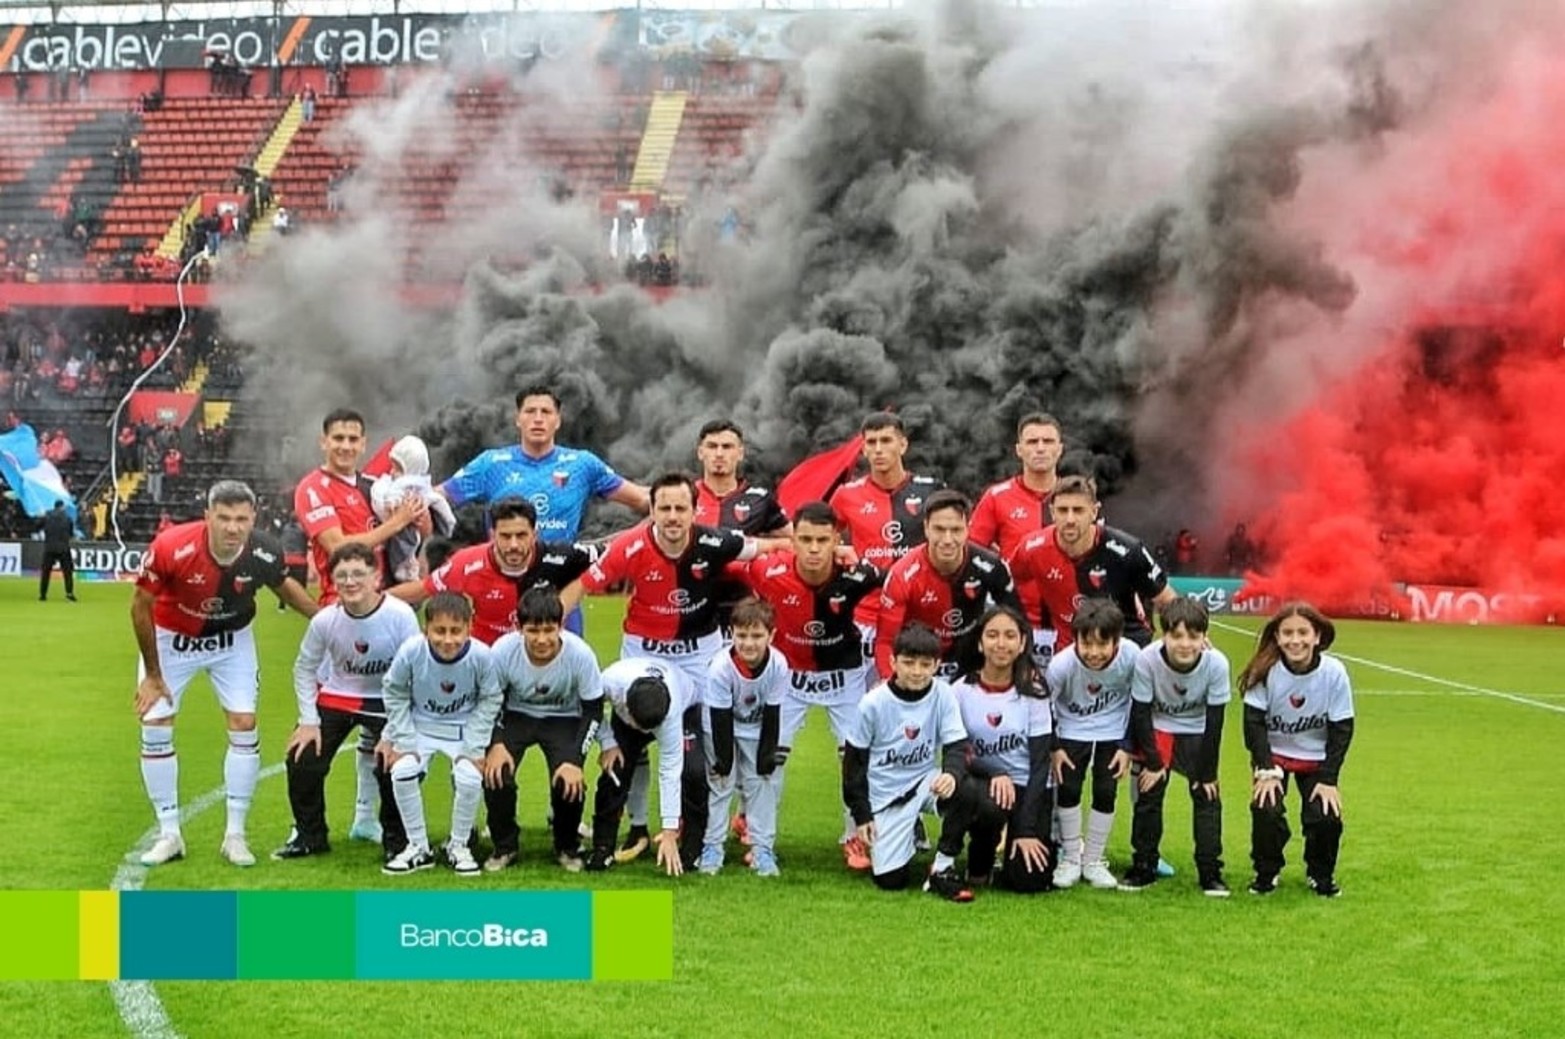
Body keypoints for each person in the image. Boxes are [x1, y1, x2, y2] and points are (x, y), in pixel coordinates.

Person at [562, 472, 783, 863]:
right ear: (651, 510)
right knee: (626, 753)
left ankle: (699, 842)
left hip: (700, 661)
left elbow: (765, 546)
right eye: (664, 508)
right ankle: (623, 835)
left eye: (681, 508)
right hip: (643, 656)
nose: (673, 516)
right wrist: (549, 625)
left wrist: (830, 550)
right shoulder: (629, 546)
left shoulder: (714, 541)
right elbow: (582, 586)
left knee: (701, 759)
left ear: (695, 511)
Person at [131, 480, 318, 867]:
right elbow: (140, 605)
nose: (233, 527)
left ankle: (235, 835)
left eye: (241, 519)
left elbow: (285, 589)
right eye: (224, 518)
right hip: (172, 640)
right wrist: (152, 675)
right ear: (208, 517)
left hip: (231, 641)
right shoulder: (171, 546)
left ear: (253, 519)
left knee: (244, 723)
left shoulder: (264, 550)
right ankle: (169, 834)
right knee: (156, 724)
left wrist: (326, 622)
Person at [726, 501, 884, 869]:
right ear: (792, 540)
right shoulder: (768, 570)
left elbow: (896, 585)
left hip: (844, 678)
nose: (814, 549)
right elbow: (726, 561)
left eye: (823, 540)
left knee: (855, 758)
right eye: (806, 539)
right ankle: (760, 838)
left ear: (837, 541)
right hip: (788, 680)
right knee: (769, 757)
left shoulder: (858, 574)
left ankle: (855, 838)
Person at [296, 407, 428, 844]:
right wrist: (397, 522)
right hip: (340, 613)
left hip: (386, 612)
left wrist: (418, 519)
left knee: (384, 722)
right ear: (324, 441)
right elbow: (338, 546)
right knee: (323, 725)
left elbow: (414, 533)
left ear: (364, 443)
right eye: (338, 438)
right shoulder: (313, 488)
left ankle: (366, 818)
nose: (346, 446)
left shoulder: (374, 486)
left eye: (354, 439)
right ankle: (307, 828)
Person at [274, 542, 417, 862]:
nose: (350, 582)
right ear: (332, 581)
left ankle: (397, 840)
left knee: (394, 763)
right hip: (338, 696)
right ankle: (309, 835)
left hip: (388, 700)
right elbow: (304, 669)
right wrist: (308, 721)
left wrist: (395, 732)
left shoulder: (400, 615)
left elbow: (413, 676)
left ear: (376, 578)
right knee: (302, 756)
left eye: (358, 574)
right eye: (342, 576)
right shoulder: (325, 620)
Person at [843, 622, 978, 901]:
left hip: (924, 782)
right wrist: (862, 815)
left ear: (937, 665)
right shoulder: (873, 703)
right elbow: (854, 764)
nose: (917, 671)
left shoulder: (943, 693)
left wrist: (951, 774)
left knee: (967, 789)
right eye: (908, 663)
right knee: (892, 881)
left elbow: (956, 745)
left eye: (925, 664)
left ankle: (942, 867)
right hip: (886, 796)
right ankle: (908, 826)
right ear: (893, 662)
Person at [378, 592, 504, 876]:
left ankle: (458, 845)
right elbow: (394, 690)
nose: (448, 640)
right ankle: (418, 847)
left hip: (462, 729)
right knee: (402, 770)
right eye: (439, 631)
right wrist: (403, 739)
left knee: (469, 776)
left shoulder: (481, 656)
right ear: (426, 629)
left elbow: (491, 698)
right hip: (420, 726)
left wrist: (474, 746)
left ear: (469, 628)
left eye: (456, 631)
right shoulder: (412, 651)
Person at [482, 587, 603, 873]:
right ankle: (504, 846)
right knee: (496, 773)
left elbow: (593, 710)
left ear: (561, 626)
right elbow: (489, 701)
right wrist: (496, 743)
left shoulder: (580, 654)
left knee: (569, 781)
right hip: (516, 716)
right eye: (533, 630)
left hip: (563, 718)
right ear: (519, 628)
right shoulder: (503, 651)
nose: (541, 639)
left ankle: (567, 846)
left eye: (549, 630)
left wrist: (575, 760)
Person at [1240, 602, 1355, 898]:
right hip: (1273, 756)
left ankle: (1320, 874)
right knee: (1266, 808)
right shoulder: (1264, 670)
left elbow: (1342, 729)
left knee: (1326, 815)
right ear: (1277, 637)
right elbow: (1253, 725)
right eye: (1287, 633)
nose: (1295, 640)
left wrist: (1329, 779)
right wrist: (1265, 770)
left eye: (1303, 632)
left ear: (1317, 637)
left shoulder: (1334, 673)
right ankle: (1267, 872)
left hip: (1315, 757)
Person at [1121, 596, 1231, 895]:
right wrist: (1155, 763)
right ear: (1164, 635)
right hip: (1159, 728)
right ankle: (1144, 865)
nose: (1185, 644)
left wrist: (1207, 773)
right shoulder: (1147, 659)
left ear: (1204, 636)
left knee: (1207, 796)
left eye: (1193, 636)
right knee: (1149, 792)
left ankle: (1210, 872)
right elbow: (1141, 712)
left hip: (1197, 730)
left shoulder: (1217, 664)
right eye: (1177, 635)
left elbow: (1215, 722)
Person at [1008, 474, 1175, 661]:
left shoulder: (1127, 550)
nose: (1070, 519)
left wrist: (1180, 644)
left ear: (1094, 512)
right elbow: (1004, 584)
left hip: (1125, 651)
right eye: (1063, 510)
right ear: (1052, 512)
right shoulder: (1032, 548)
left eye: (1078, 510)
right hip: (1070, 654)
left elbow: (1169, 601)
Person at [949, 606, 1055, 893]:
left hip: (1029, 787)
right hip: (985, 784)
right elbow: (956, 752)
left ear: (1022, 643)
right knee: (989, 804)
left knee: (1028, 880)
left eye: (1010, 636)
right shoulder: (960, 691)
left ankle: (1040, 842)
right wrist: (994, 772)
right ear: (980, 642)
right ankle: (979, 862)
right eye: (992, 635)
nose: (1001, 643)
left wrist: (1026, 830)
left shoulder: (1034, 691)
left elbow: (1041, 764)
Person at [391, 498, 594, 646]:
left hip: (538, 655)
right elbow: (423, 588)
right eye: (505, 536)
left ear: (535, 534)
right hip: (488, 661)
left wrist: (573, 594)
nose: (513, 545)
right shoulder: (467, 563)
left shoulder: (560, 558)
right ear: (492, 535)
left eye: (521, 535)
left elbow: (608, 558)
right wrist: (377, 600)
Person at [827, 412, 943, 660]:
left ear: (903, 445)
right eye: (871, 442)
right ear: (863, 449)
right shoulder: (846, 495)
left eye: (886, 440)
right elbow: (819, 538)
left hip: (922, 614)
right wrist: (837, 550)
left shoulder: (931, 490)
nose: (878, 449)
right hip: (867, 617)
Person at [874, 489, 1023, 680]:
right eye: (939, 529)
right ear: (926, 528)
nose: (947, 540)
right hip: (921, 667)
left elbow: (1018, 623)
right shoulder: (902, 574)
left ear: (968, 529)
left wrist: (1024, 671)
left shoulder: (991, 566)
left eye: (956, 530)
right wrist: (890, 683)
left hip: (973, 664)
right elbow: (885, 642)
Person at [1045, 599, 1139, 890]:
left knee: (1106, 791)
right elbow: (1043, 706)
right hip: (1071, 729)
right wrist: (1055, 746)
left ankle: (1094, 860)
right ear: (1075, 639)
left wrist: (1127, 746)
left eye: (1103, 644)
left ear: (1117, 640)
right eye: (1087, 644)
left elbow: (1141, 700)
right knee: (1069, 790)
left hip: (1114, 730)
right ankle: (1071, 858)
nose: (1094, 652)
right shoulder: (1061, 665)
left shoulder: (1132, 656)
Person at [582, 658, 699, 876]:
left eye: (649, 729)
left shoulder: (672, 714)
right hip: (626, 719)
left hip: (688, 709)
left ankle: (692, 847)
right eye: (640, 726)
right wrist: (608, 743)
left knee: (694, 773)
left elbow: (670, 772)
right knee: (614, 772)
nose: (644, 732)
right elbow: (589, 707)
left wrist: (669, 830)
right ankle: (603, 848)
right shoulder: (611, 681)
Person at [697, 597, 786, 877]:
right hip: (719, 725)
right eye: (742, 635)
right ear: (731, 634)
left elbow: (773, 712)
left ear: (771, 635)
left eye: (757, 636)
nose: (749, 643)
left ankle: (762, 849)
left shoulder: (779, 665)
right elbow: (719, 718)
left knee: (762, 783)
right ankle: (712, 846)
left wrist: (766, 755)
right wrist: (724, 761)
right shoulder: (720, 667)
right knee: (721, 783)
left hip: (756, 726)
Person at [692, 419, 790, 630]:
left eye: (727, 447)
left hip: (743, 608)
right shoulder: (685, 496)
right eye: (712, 446)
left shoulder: (759, 498)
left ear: (740, 453)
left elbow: (797, 540)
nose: (719, 454)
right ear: (700, 452)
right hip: (692, 604)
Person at [968, 413, 1063, 558]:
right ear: (1019, 450)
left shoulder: (1077, 497)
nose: (1040, 448)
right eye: (1032, 442)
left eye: (1048, 441)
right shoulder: (996, 497)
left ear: (1060, 449)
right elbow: (970, 551)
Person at [368, 434, 456, 582]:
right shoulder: (389, 484)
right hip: (392, 541)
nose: (392, 472)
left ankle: (406, 568)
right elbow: (385, 497)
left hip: (410, 534)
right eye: (392, 466)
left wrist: (442, 521)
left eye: (397, 468)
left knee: (406, 545)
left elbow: (435, 502)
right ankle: (405, 568)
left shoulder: (412, 485)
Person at [38, 499, 75, 602]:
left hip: (49, 547)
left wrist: (40, 516)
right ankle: (69, 594)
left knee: (46, 572)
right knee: (67, 572)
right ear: (62, 507)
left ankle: (43, 594)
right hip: (63, 548)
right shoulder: (68, 518)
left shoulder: (47, 516)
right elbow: (71, 533)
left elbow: (37, 526)